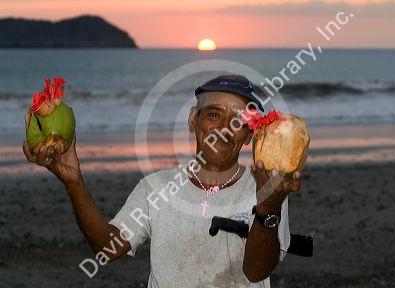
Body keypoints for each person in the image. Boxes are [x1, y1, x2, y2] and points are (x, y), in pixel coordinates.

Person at [23, 74, 302, 287]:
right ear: (193, 120)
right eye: (214, 114)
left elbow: (257, 272)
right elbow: (107, 248)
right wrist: (74, 182)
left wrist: (267, 210)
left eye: (239, 122)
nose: (225, 129)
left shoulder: (268, 191)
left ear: (249, 136)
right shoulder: (155, 188)